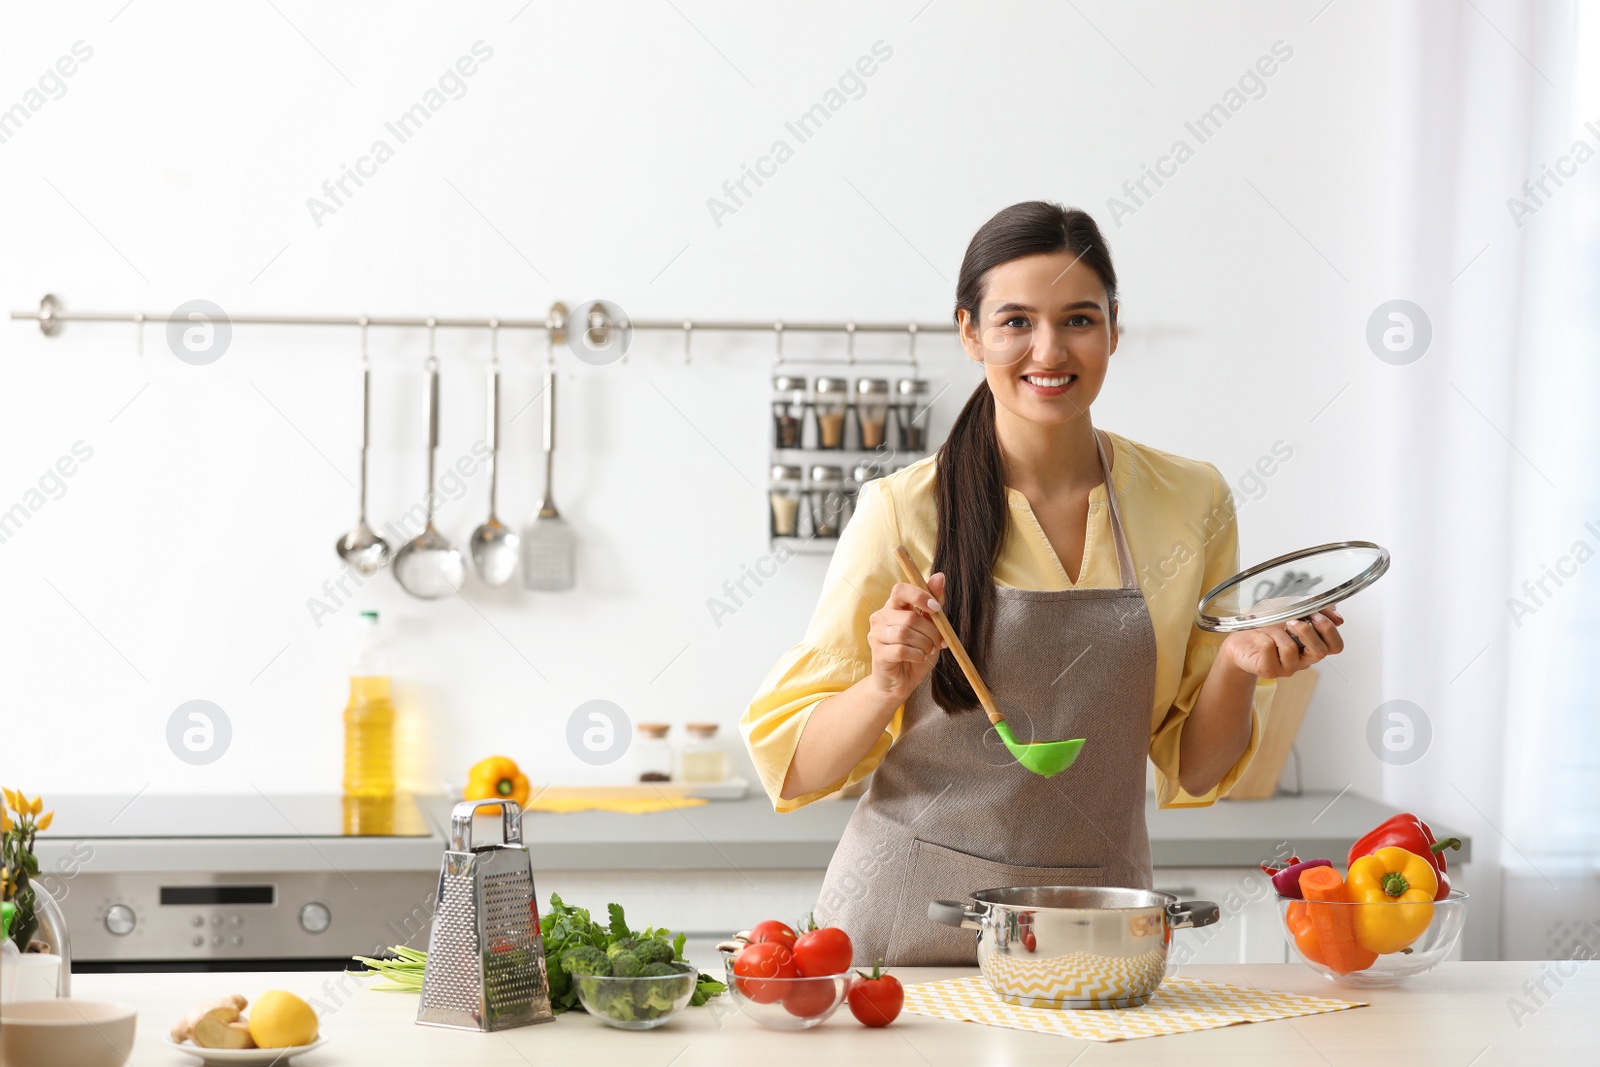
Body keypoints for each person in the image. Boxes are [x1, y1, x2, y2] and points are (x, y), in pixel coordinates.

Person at [740, 201, 1344, 965]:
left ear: (1115, 329)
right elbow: (797, 768)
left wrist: (1238, 665)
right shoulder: (902, 512)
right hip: (905, 935)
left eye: (1079, 319)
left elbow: (1196, 768)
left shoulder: (1191, 501)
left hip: (1094, 929)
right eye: (1016, 320)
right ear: (971, 333)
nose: (1048, 349)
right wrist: (886, 684)